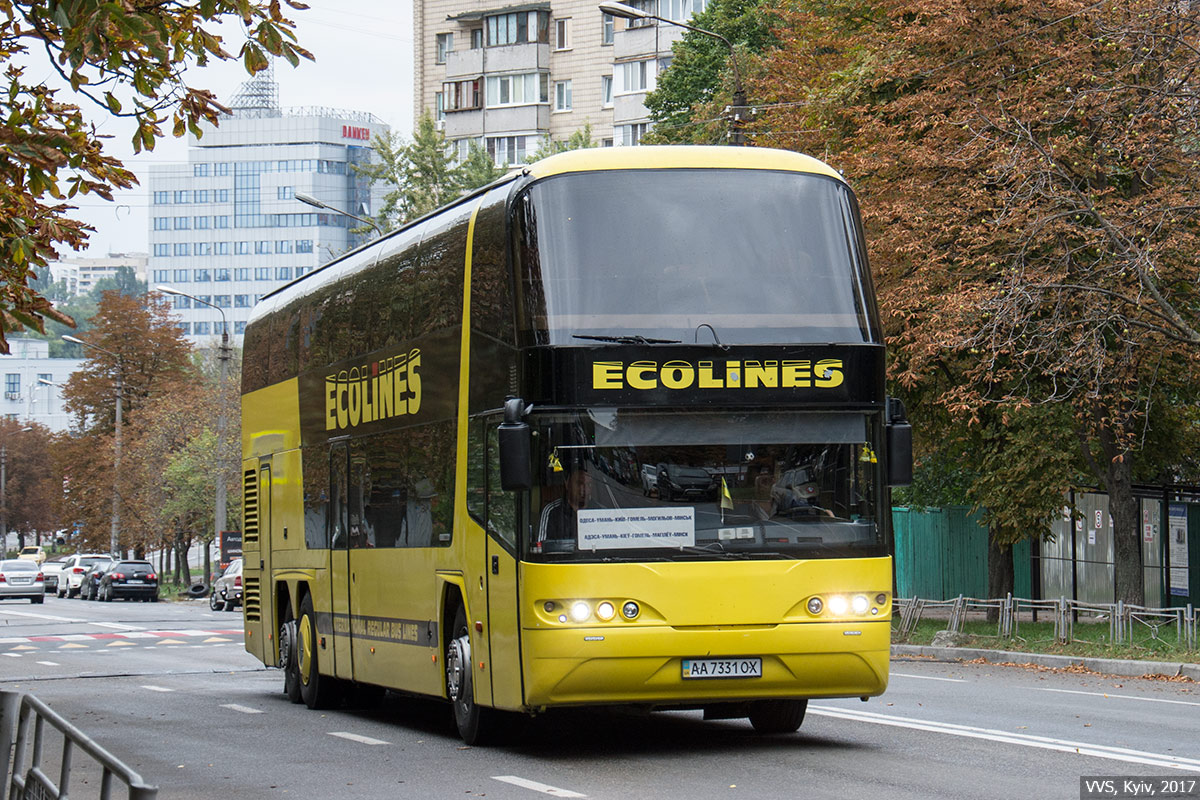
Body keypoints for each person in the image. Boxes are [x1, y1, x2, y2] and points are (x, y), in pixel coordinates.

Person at [537, 468, 590, 543]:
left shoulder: (601, 512)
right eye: (579, 483)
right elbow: (541, 546)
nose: (583, 489)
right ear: (567, 484)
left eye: (588, 484)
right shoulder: (551, 511)